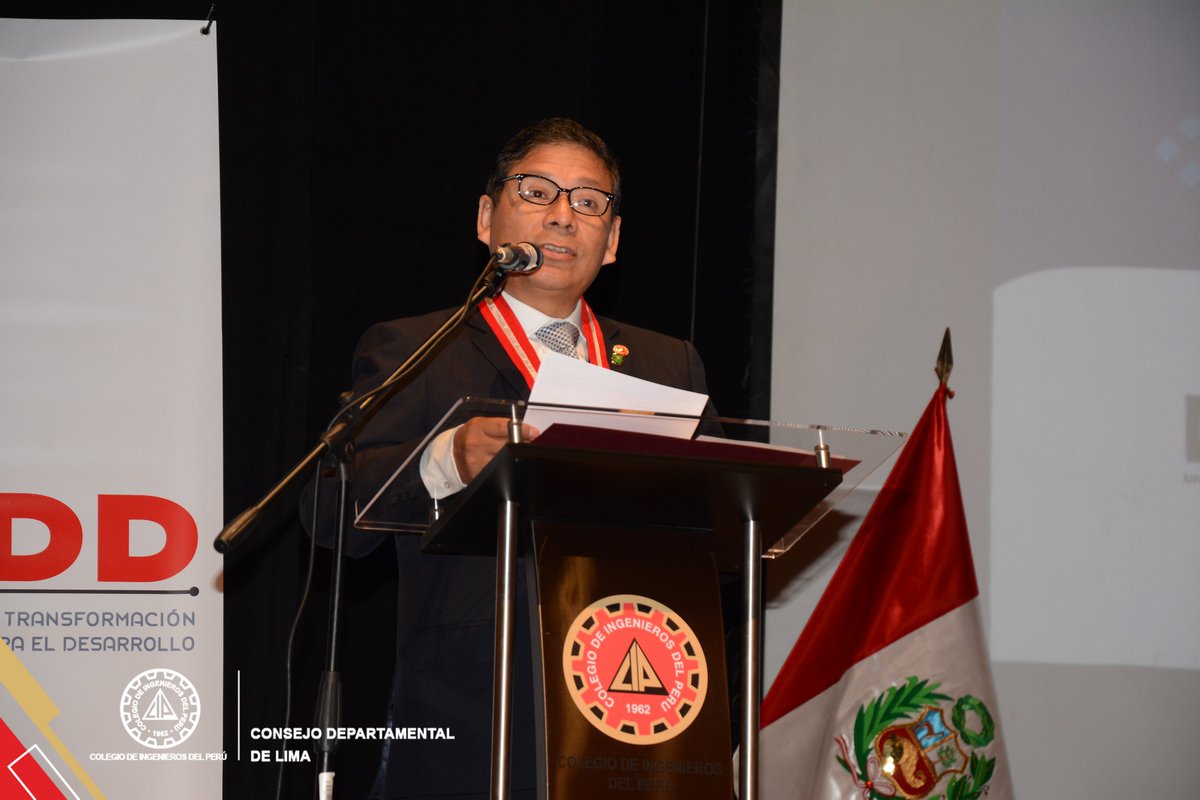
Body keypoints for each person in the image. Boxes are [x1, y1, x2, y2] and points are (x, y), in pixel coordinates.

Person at [310, 118, 712, 799]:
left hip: (636, 698)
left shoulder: (668, 363)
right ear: (486, 218)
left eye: (589, 202)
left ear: (612, 239)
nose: (563, 216)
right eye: (537, 192)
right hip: (474, 711)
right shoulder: (422, 350)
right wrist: (444, 459)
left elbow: (716, 529)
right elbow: (326, 512)